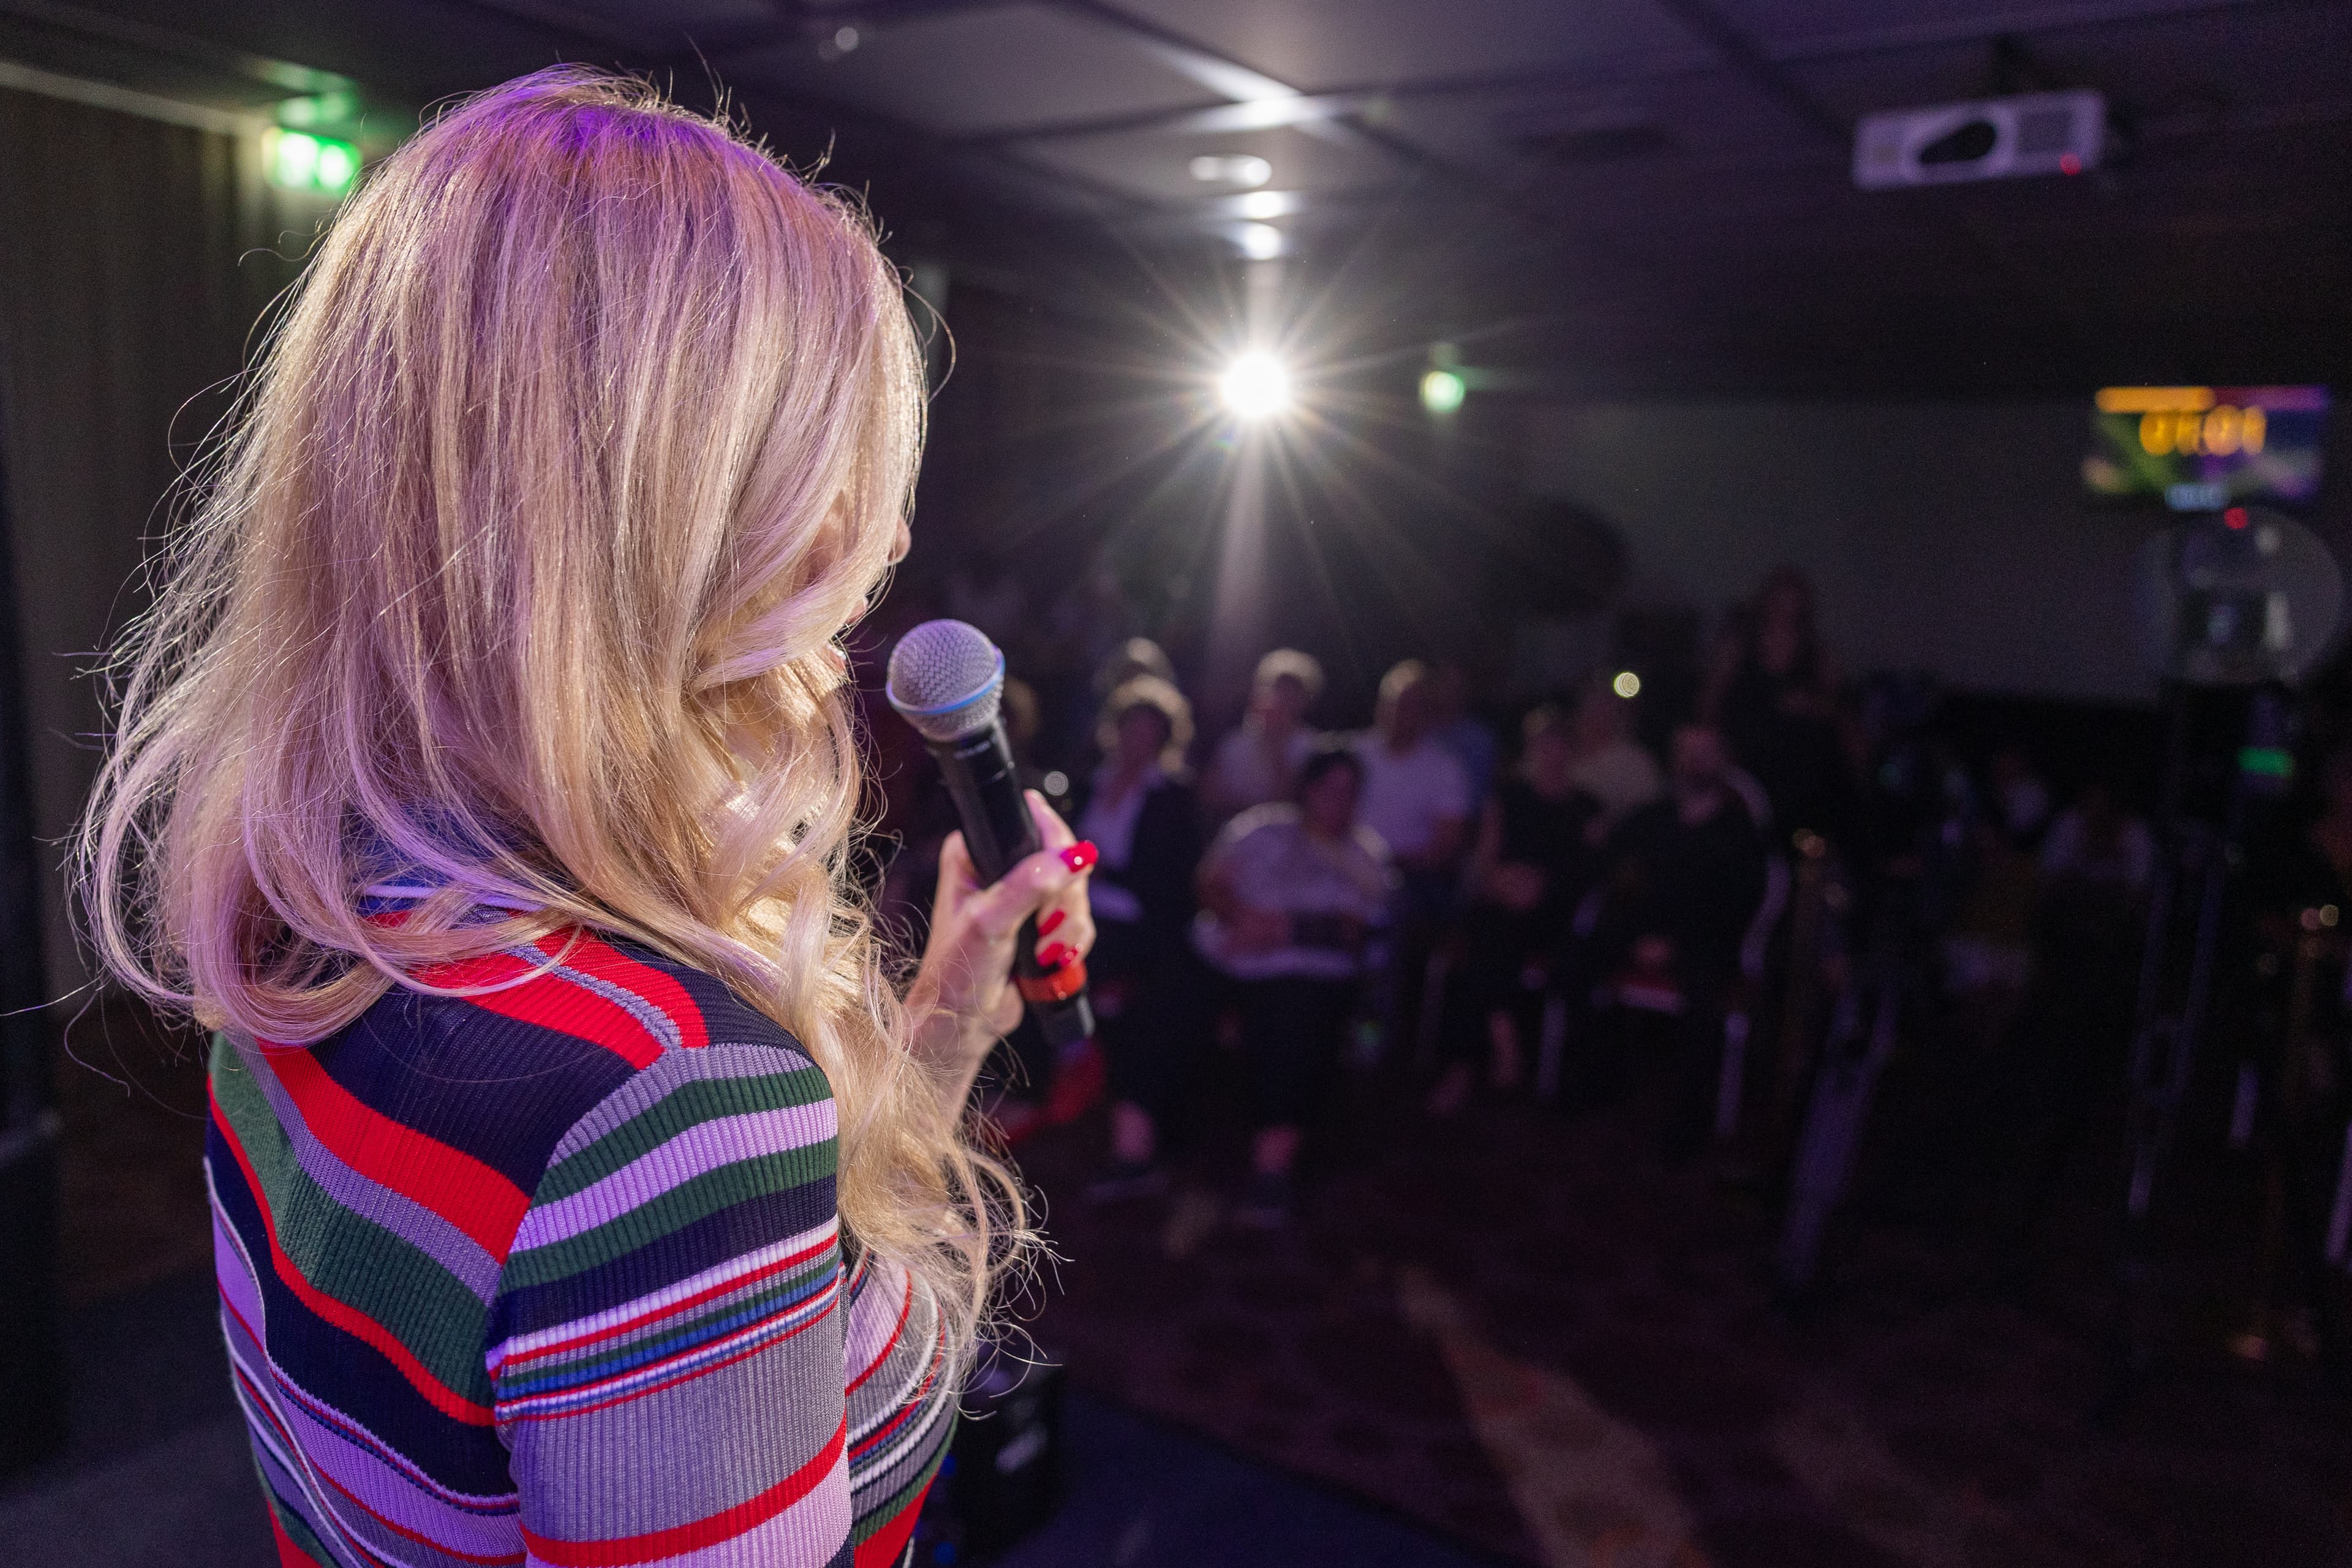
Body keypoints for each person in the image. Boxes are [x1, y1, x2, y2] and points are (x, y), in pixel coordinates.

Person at [75, 72, 1099, 1568]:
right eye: (833, 471)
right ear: (678, 515)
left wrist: (946, 1009)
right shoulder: (665, 1093)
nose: (874, 545)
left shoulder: (309, 903)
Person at [1196, 748, 1393, 1224]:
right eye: (1329, 789)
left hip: (1313, 973)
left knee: (1292, 1020)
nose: (1338, 802)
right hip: (1236, 958)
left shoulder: (1364, 854)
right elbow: (1210, 884)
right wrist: (1243, 921)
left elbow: (1362, 929)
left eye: (1349, 793)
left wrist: (1284, 930)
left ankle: (1273, 1168)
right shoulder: (1261, 828)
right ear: (1308, 789)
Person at [1584, 725, 1768, 1151]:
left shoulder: (1740, 832)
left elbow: (1736, 908)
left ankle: (1688, 1124)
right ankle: (1594, 1083)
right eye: (1685, 753)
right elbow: (1614, 869)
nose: (1693, 762)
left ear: (1723, 761)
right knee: (1580, 958)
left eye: (1704, 753)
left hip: (1704, 943)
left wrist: (1676, 944)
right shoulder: (1653, 818)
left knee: (1706, 997)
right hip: (1644, 933)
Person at [1430, 705, 1602, 1115]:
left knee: (1490, 940)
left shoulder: (1587, 807)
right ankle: (1502, 1040)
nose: (1551, 752)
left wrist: (1541, 887)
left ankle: (1469, 1065)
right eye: (1544, 743)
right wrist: (1502, 883)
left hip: (1554, 912)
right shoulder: (1507, 797)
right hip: (1503, 902)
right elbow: (1485, 860)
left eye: (1560, 743)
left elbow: (1588, 874)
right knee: (1490, 930)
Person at [1080, 675, 1205, 1198]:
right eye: (1131, 729)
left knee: (1139, 1017)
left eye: (1150, 733)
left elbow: (1176, 882)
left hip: (1139, 930)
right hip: (1075, 915)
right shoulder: (1086, 783)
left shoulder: (1173, 798)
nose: (1138, 741)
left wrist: (1110, 871)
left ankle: (1135, 1148)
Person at [1353, 660, 1473, 1055]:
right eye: (1397, 703)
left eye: (1415, 705)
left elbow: (1445, 849)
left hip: (1409, 880)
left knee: (1384, 917)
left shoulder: (1444, 768)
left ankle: (1371, 1041)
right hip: (1339, 868)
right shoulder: (1351, 754)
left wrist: (1383, 861)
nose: (1404, 713)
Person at [1702, 565, 1853, 845]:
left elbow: (1838, 710)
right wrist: (1716, 749)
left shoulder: (1818, 654)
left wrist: (1808, 705)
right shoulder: (1738, 646)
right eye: (1778, 602)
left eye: (1792, 604)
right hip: (1745, 756)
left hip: (1801, 763)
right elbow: (1710, 702)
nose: (1784, 612)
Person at [1204, 647, 1324, 821]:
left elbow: (1298, 805)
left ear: (1305, 699)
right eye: (1279, 689)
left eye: (1293, 691)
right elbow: (1208, 796)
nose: (1284, 698)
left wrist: (1276, 748)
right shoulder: (1235, 741)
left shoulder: (1313, 748)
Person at [1566, 671, 1665, 834]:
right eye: (1589, 706)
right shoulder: (1563, 757)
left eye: (1602, 707)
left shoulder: (1635, 761)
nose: (1595, 715)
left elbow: (1648, 812)